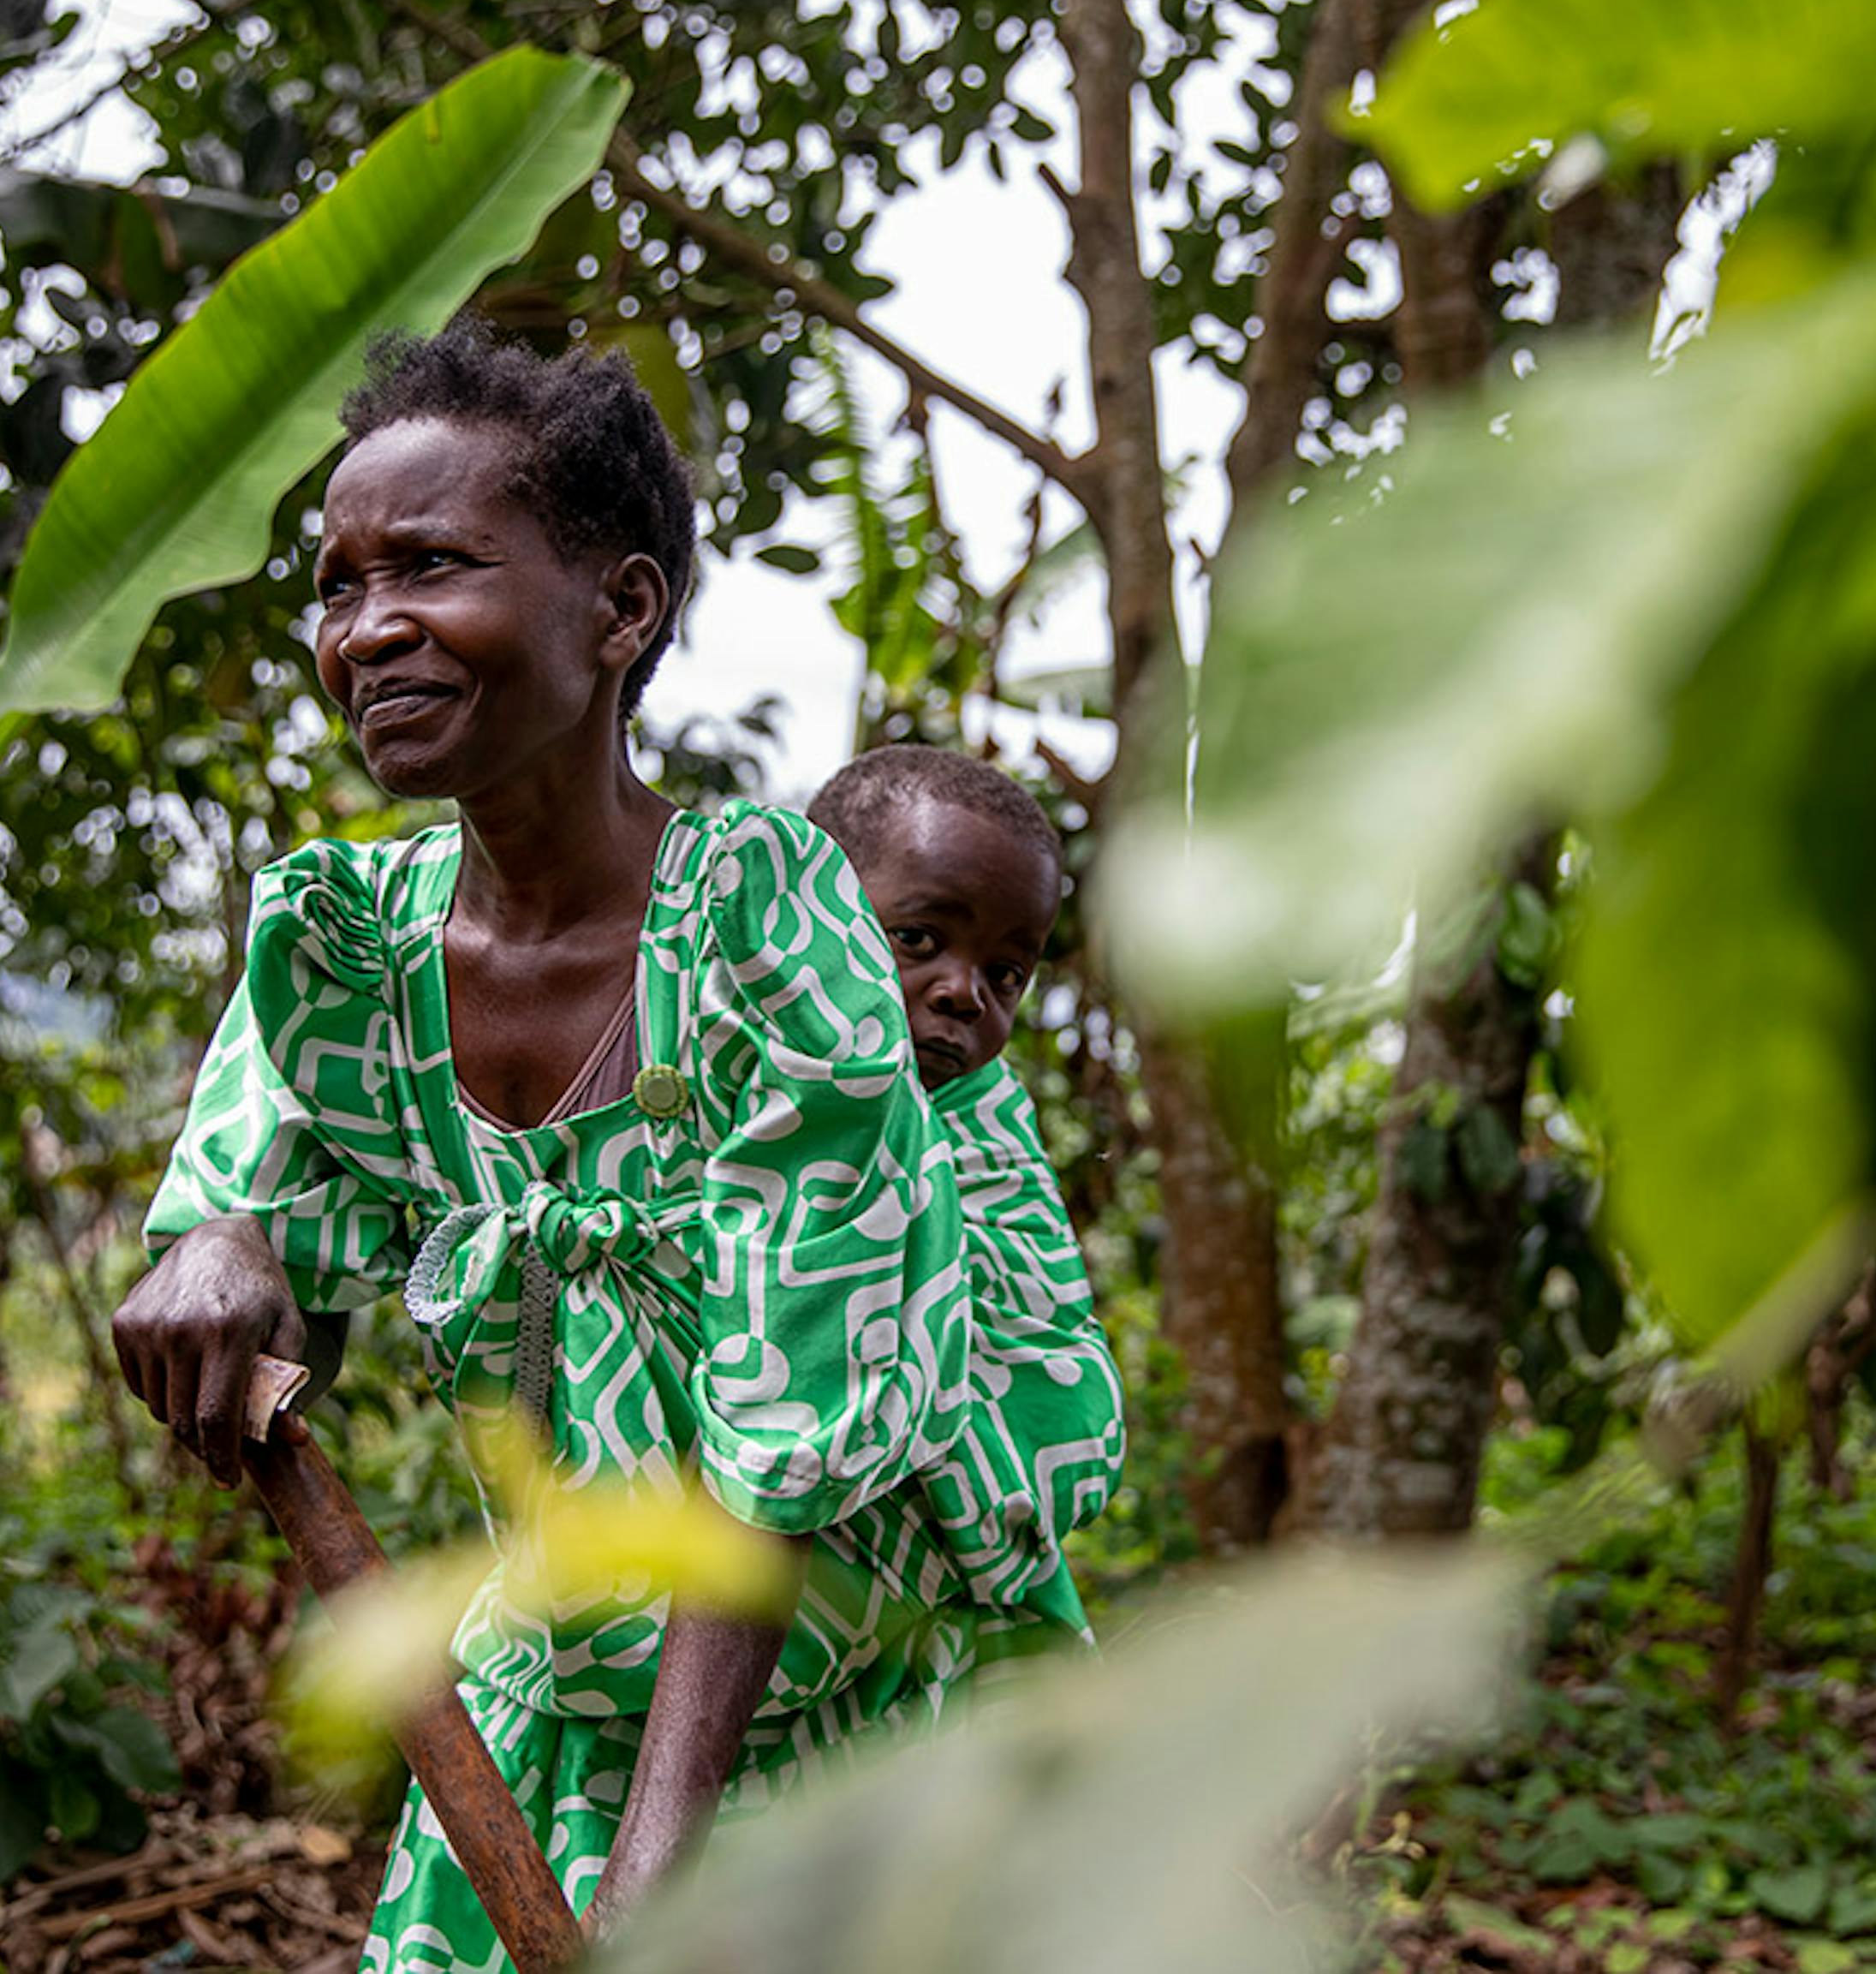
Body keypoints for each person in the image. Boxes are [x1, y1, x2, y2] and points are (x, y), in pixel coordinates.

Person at [110, 325, 1115, 1973]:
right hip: (548, 1687)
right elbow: (269, 1232)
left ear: (622, 610)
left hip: (812, 1714)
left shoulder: (767, 918)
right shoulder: (345, 939)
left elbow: (784, 1437)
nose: (368, 631)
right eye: (337, 584)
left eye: (427, 566)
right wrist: (226, 1248)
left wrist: (662, 1867)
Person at [807, 744, 1126, 1592]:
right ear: (803, 924)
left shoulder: (983, 1132)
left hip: (932, 1619)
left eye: (1005, 974)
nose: (964, 994)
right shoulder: (719, 1086)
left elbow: (1052, 1364)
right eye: (917, 939)